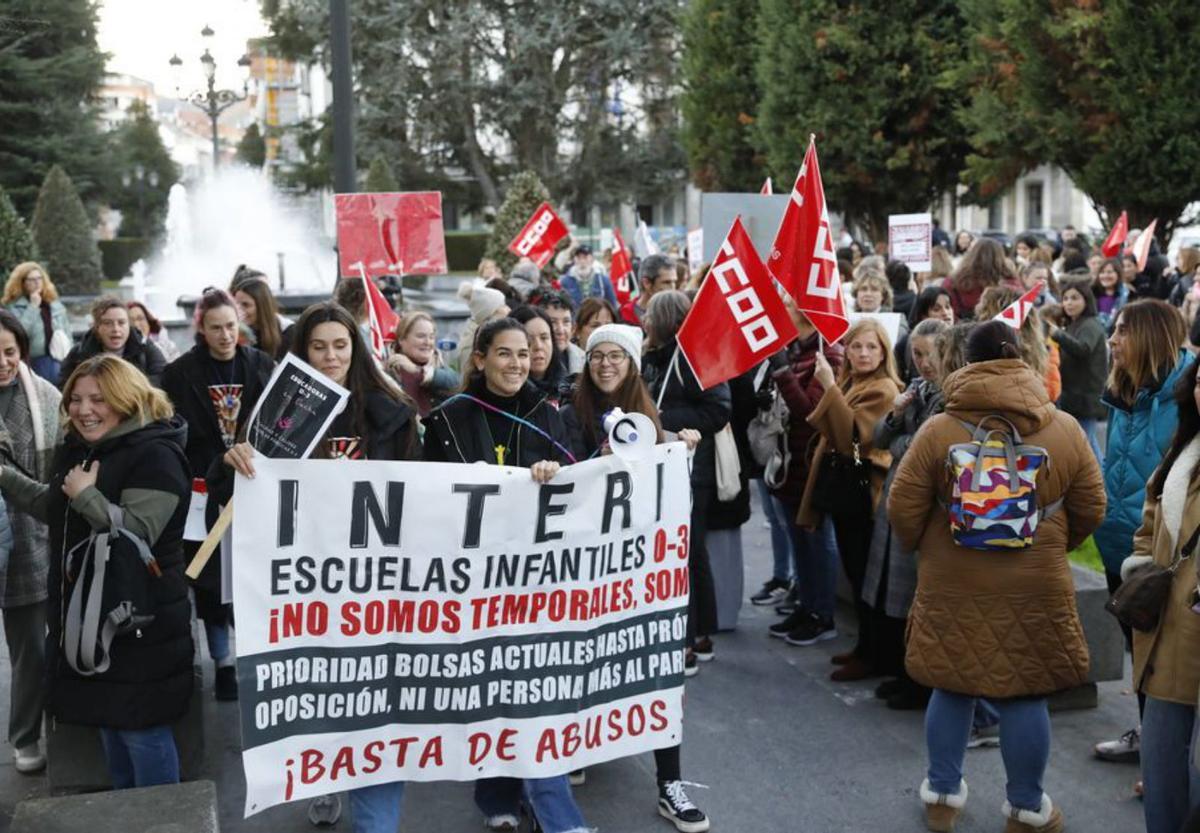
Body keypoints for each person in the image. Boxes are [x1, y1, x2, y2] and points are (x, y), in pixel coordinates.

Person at [888, 319, 1105, 833]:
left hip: (952, 579)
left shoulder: (939, 429)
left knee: (950, 684)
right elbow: (1093, 506)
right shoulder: (1063, 428)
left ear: (966, 361)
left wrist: (930, 547)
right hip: (1036, 584)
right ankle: (1027, 808)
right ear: (1022, 357)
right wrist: (1049, 542)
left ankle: (943, 796)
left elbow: (902, 507)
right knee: (1026, 691)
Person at [220, 301, 420, 832]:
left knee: (377, 710)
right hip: (307, 590)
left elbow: (424, 495)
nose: (330, 356)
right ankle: (325, 776)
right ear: (301, 352)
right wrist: (234, 463)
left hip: (377, 589)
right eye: (318, 346)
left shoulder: (392, 412)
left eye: (340, 345)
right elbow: (240, 495)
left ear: (356, 349)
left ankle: (375, 822)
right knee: (323, 698)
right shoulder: (274, 415)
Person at [422, 318, 588, 833]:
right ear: (480, 359)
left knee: (533, 690)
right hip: (474, 578)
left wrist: (556, 476)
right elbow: (426, 496)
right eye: (504, 353)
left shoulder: (547, 414)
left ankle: (553, 811)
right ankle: (497, 793)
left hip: (535, 578)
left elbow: (579, 484)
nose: (516, 363)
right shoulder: (447, 419)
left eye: (523, 353)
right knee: (490, 688)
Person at [0, 355, 193, 789]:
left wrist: (86, 496)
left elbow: (138, 534)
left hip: (140, 622)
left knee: (141, 730)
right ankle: (127, 813)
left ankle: (164, 817)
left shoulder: (156, 454)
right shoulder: (81, 449)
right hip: (89, 616)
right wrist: (4, 475)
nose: (83, 409)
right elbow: (53, 506)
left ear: (127, 400)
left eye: (98, 399)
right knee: (111, 728)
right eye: (76, 399)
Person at [558, 323, 710, 832]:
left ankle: (670, 782)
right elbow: (561, 477)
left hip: (638, 571)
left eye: (616, 356)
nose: (606, 364)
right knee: (584, 658)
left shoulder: (651, 419)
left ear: (632, 365)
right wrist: (591, 465)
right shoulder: (569, 415)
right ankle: (577, 746)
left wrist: (679, 448)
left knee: (656, 668)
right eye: (597, 356)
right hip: (585, 568)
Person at [161, 288, 275, 701]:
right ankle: (223, 660)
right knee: (210, 578)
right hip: (203, 487)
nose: (225, 335)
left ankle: (252, 656)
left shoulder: (261, 365)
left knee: (252, 576)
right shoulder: (180, 373)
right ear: (201, 329)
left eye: (230, 326)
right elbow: (173, 432)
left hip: (254, 483)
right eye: (216, 328)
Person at [1093, 300, 1192, 771]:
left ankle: (1168, 759)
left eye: (1123, 331)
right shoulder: (1121, 391)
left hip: (1167, 554)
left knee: (1168, 663)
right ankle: (1151, 745)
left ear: (1151, 336)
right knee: (1140, 654)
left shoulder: (1187, 394)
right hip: (1119, 546)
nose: (1112, 340)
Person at [795, 318, 900, 681]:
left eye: (871, 347)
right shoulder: (854, 382)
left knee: (864, 574)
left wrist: (828, 386)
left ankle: (873, 654)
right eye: (856, 346)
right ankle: (865, 648)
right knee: (856, 573)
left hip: (862, 493)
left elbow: (852, 440)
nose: (864, 354)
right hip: (846, 490)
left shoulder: (883, 389)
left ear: (884, 352)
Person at [1120, 358, 1200, 833]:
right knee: (1162, 770)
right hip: (1169, 636)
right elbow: (1151, 518)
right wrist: (1142, 562)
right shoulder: (1185, 449)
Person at [641, 290, 731, 672]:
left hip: (694, 471)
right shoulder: (653, 358)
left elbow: (718, 411)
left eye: (650, 315)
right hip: (669, 468)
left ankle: (690, 640)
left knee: (688, 556)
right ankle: (701, 633)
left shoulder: (694, 358)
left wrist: (663, 419)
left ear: (665, 320)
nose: (645, 321)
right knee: (689, 554)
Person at [862, 317, 949, 711]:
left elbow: (923, 447)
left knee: (914, 592)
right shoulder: (916, 387)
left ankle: (918, 682)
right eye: (917, 354)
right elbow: (880, 438)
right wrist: (895, 416)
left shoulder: (949, 395)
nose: (923, 362)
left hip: (924, 502)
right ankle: (901, 671)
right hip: (898, 493)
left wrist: (900, 439)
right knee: (891, 587)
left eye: (929, 354)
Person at [0, 310, 60, 773]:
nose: (3, 362)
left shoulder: (45, 397)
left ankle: (25, 735)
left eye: (9, 351)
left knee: (31, 649)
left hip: (28, 538)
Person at [765, 299, 845, 643]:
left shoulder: (829, 353)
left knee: (817, 540)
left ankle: (822, 614)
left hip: (812, 464)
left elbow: (811, 412)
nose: (781, 305)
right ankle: (806, 602)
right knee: (798, 539)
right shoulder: (796, 349)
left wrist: (782, 373)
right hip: (789, 461)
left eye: (788, 302)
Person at [1047, 281, 1108, 460]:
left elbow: (1083, 349)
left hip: (1085, 397)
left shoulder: (1090, 324)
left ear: (1086, 300)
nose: (1069, 303)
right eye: (1065, 298)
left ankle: (1099, 476)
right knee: (1087, 444)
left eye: (1075, 298)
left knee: (1085, 445)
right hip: (1075, 396)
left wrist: (1057, 334)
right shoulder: (1074, 324)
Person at [58, 296, 166, 389]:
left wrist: (127, 390)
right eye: (107, 323)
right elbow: (64, 387)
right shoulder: (79, 353)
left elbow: (162, 378)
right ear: (96, 327)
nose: (115, 329)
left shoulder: (145, 348)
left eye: (121, 322)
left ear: (129, 325)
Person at [3, 262, 70, 382]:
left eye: (39, 278)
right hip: (31, 361)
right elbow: (19, 334)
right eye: (32, 279)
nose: (37, 282)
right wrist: (33, 307)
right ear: (22, 282)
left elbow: (67, 333)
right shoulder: (14, 307)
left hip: (58, 360)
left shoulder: (55, 304)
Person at [386, 311, 459, 418]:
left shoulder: (439, 367)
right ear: (402, 339)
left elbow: (459, 386)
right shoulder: (388, 372)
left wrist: (419, 372)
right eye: (421, 336)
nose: (427, 342)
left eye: (431, 337)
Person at [946, 237, 1019, 321]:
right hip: (1003, 326)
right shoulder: (1010, 282)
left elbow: (950, 311)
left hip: (965, 326)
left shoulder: (955, 281)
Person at [510, 305, 568, 404]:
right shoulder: (507, 393)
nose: (538, 346)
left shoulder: (569, 388)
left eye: (544, 338)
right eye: (529, 339)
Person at [230, 273, 292, 360]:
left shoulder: (287, 331)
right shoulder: (234, 331)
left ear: (262, 306)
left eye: (246, 305)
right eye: (236, 304)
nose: (239, 310)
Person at [455, 282, 510, 373]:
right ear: (490, 314)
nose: (508, 309)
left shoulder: (481, 334)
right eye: (502, 306)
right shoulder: (471, 344)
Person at [537, 290, 586, 376]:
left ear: (573, 328)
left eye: (566, 322)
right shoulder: (530, 359)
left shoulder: (584, 360)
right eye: (553, 322)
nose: (560, 330)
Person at [621, 254, 678, 327]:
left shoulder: (677, 312)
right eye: (666, 282)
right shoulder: (624, 316)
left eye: (674, 282)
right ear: (647, 283)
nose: (673, 287)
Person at [559, 244, 617, 309]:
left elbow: (612, 306)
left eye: (585, 257)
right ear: (574, 260)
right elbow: (561, 306)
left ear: (592, 259)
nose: (582, 261)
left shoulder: (603, 281)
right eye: (579, 258)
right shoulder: (565, 281)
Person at [1094, 257, 1131, 332]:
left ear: (1118, 274)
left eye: (1109, 272)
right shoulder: (1092, 294)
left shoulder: (1127, 295)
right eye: (1102, 272)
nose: (1105, 276)